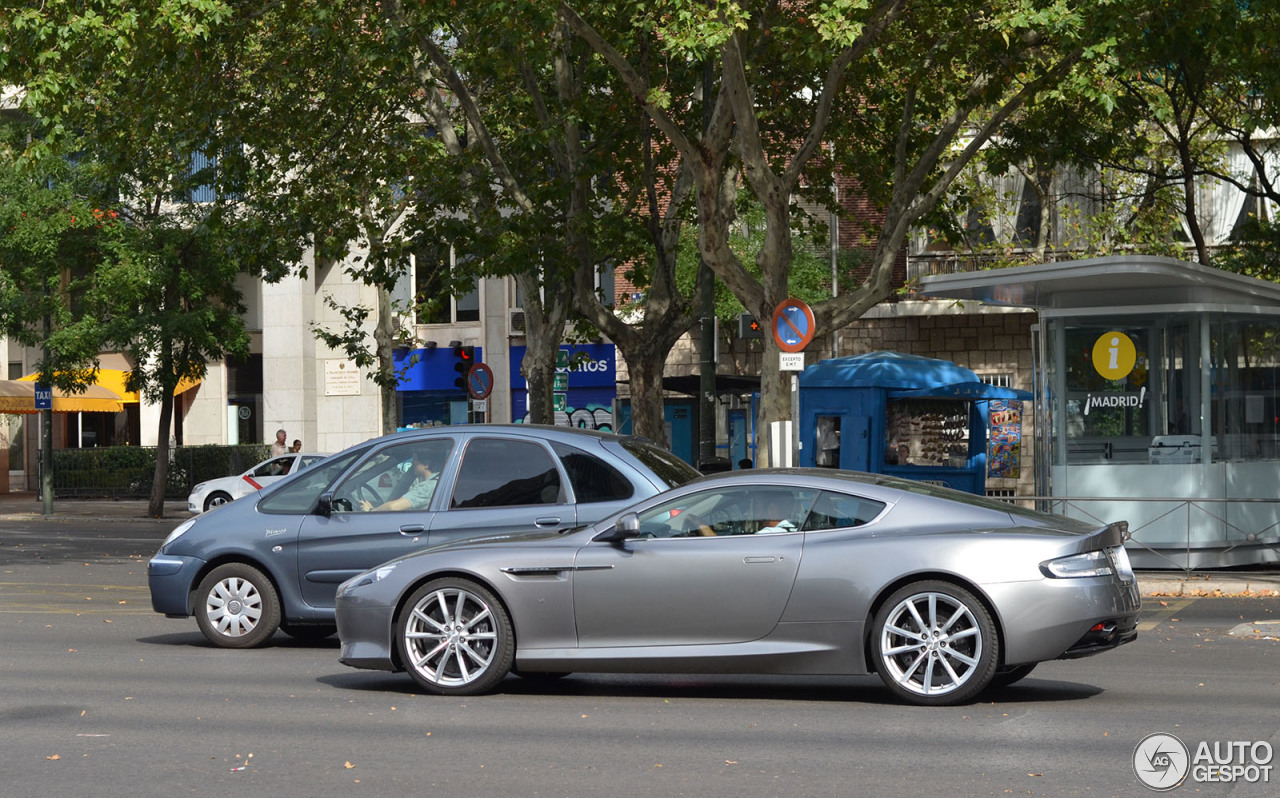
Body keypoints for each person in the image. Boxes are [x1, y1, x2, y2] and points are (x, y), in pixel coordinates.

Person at [360, 450, 439, 512]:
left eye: (415, 459)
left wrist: (371, 510)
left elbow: (393, 507)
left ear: (426, 464)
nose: (412, 462)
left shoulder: (427, 488)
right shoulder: (437, 482)